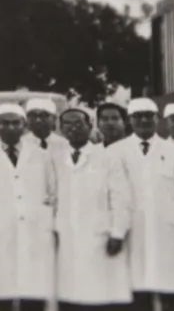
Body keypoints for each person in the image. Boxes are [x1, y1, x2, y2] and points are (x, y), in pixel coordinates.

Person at [0, 103, 57, 311]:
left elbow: (53, 193)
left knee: (34, 289)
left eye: (15, 123)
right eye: (4, 123)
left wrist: (49, 224)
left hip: (35, 231)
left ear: (24, 125)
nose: (10, 127)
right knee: (2, 288)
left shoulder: (41, 155)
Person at [113, 98, 174, 311]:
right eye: (138, 116)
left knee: (172, 288)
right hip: (133, 228)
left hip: (167, 229)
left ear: (157, 119)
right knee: (137, 290)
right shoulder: (117, 151)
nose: (144, 120)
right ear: (130, 120)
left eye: (149, 116)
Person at [53, 108, 132, 311]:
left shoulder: (107, 157)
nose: (73, 128)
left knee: (100, 295)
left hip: (99, 236)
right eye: (68, 124)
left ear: (90, 126)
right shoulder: (56, 159)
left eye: (79, 123)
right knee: (70, 294)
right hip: (68, 236)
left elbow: (120, 198)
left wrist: (117, 233)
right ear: (61, 129)